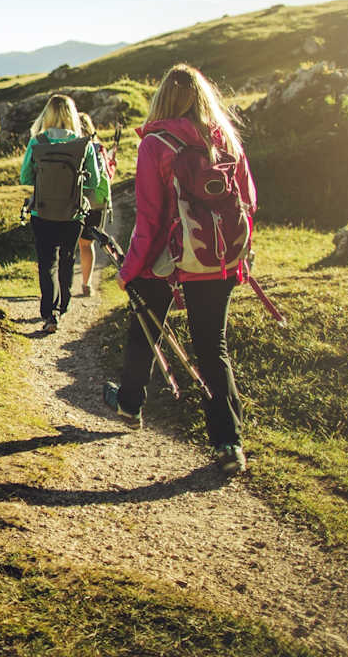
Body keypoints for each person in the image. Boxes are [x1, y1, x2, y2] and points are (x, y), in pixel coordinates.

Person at [103, 64, 257, 474]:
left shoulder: (156, 143)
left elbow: (150, 220)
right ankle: (229, 443)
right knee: (212, 348)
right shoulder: (225, 139)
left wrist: (130, 269)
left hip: (166, 261)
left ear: (162, 100)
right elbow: (249, 202)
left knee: (145, 331)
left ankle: (131, 405)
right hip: (219, 260)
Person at [19, 94, 108, 334]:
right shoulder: (84, 144)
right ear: (72, 115)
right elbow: (94, 182)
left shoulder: (37, 142)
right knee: (67, 259)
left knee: (47, 263)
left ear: (46, 115)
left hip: (42, 211)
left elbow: (25, 177)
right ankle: (63, 307)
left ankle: (49, 313)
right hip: (73, 215)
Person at [76, 112, 114, 297]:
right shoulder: (100, 148)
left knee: (68, 244)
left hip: (77, 199)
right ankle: (86, 283)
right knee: (86, 243)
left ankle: (62, 286)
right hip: (97, 201)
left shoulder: (75, 147)